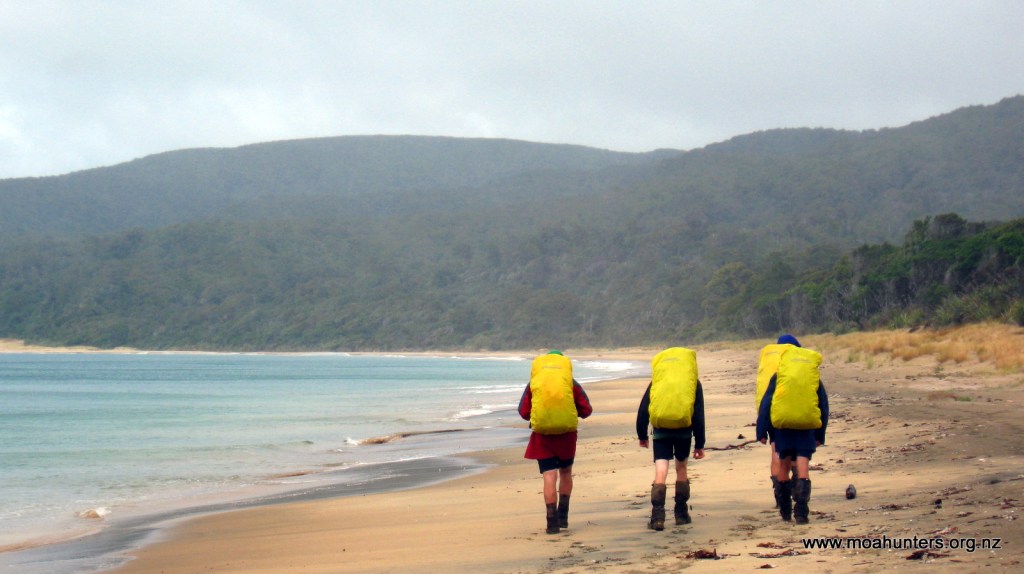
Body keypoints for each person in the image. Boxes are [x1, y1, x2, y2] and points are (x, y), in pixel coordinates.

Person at [518, 350, 593, 534]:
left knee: (549, 476)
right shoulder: (569, 382)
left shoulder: (534, 383)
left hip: (542, 436)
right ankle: (564, 517)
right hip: (567, 435)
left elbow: (523, 411)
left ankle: (552, 524)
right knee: (566, 473)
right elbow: (587, 409)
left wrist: (539, 417)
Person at [756, 340, 829, 524]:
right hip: (805, 429)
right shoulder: (812, 377)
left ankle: (785, 510)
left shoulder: (779, 376)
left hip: (784, 429)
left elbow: (766, 404)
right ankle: (802, 512)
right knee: (802, 465)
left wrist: (762, 430)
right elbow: (823, 406)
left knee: (783, 464)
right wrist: (820, 434)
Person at [635, 347, 706, 531]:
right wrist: (700, 443)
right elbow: (699, 415)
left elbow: (644, 409)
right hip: (684, 430)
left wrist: (642, 434)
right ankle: (681, 514)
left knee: (661, 469)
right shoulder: (693, 383)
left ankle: (658, 517)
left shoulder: (658, 382)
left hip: (661, 430)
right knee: (681, 467)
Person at [755, 334, 801, 505]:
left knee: (776, 452)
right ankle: (798, 489)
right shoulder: (798, 367)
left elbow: (765, 398)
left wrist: (761, 427)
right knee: (797, 454)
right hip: (795, 413)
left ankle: (781, 496)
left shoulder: (771, 366)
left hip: (773, 414)